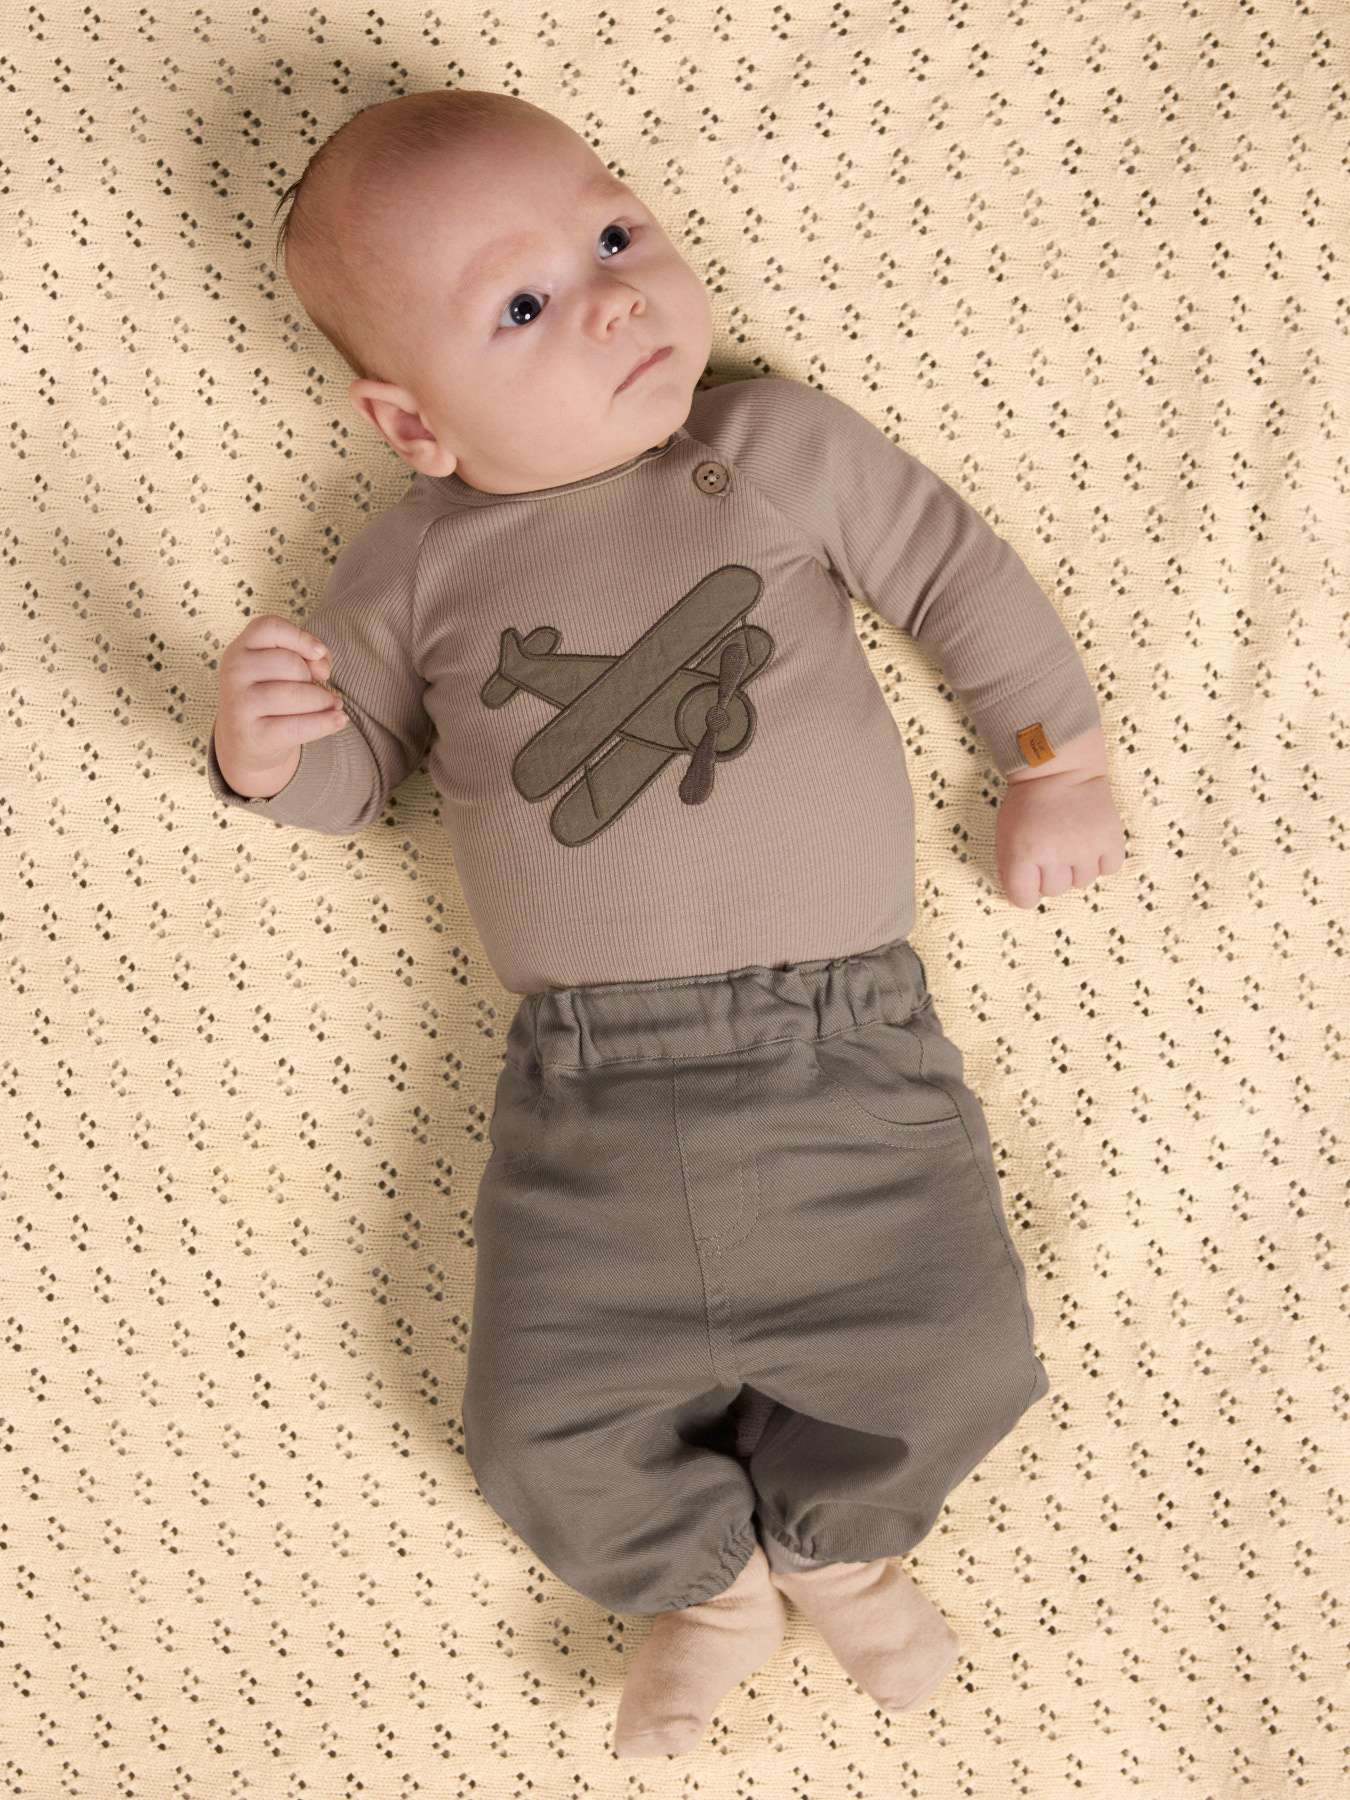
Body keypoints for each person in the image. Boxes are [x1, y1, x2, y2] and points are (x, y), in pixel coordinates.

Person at [207, 87, 1126, 1757]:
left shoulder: (763, 449)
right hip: (587, 1107)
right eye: (523, 304)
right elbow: (355, 782)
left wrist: (1051, 762)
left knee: (958, 1349)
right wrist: (269, 750)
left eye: (614, 234)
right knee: (534, 1427)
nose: (612, 297)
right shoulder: (411, 567)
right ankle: (701, 1585)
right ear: (411, 423)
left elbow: (954, 576)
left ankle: (842, 1550)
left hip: (843, 1057)